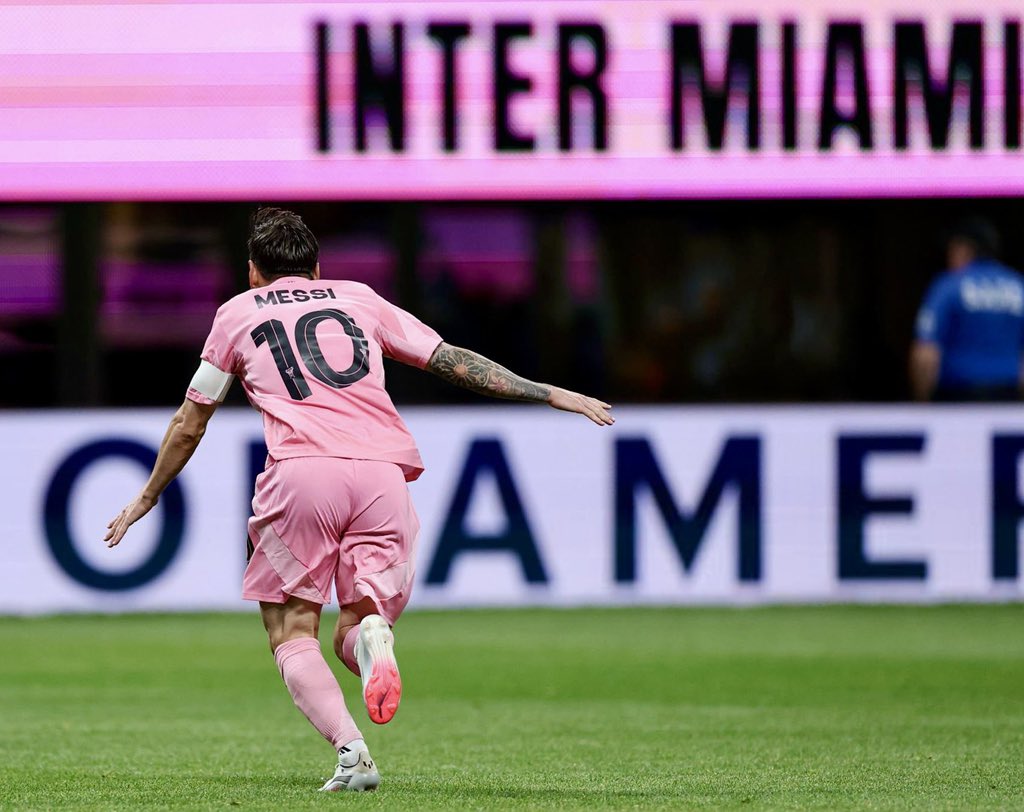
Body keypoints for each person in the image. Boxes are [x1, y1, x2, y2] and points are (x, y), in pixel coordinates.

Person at [103, 208, 614, 792]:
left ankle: (353, 756)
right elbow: (449, 360)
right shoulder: (361, 299)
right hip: (382, 476)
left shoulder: (235, 315)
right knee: (358, 622)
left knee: (293, 630)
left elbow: (191, 422)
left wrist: (147, 496)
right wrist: (545, 391)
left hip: (302, 474)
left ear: (252, 271)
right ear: (317, 268)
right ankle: (373, 639)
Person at [910, 218, 1024, 401]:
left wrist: (923, 402)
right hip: (1008, 397)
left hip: (959, 398)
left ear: (964, 248)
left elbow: (926, 354)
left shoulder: (949, 286)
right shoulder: (1018, 286)